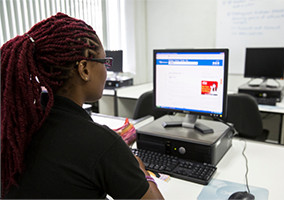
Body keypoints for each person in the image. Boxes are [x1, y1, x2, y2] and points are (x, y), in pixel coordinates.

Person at [1, 12, 164, 199]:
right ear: (84, 69)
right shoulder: (103, 144)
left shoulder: (14, 130)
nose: (106, 70)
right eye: (105, 62)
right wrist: (140, 169)